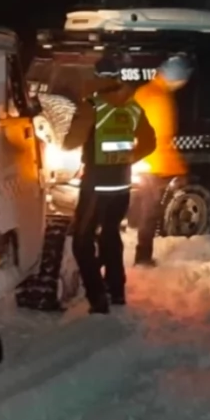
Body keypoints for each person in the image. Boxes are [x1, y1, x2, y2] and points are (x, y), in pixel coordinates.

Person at [61, 53, 156, 314]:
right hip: (122, 185)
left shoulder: (92, 105)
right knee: (111, 235)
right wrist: (126, 159)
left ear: (96, 77)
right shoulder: (133, 106)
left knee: (81, 241)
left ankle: (98, 297)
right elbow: (149, 143)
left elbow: (68, 142)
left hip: (96, 186)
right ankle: (117, 291)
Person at [131, 55, 193, 267]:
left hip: (136, 159)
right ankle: (143, 257)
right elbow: (162, 140)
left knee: (142, 211)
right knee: (149, 214)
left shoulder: (143, 91)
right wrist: (180, 169)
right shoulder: (161, 99)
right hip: (153, 164)